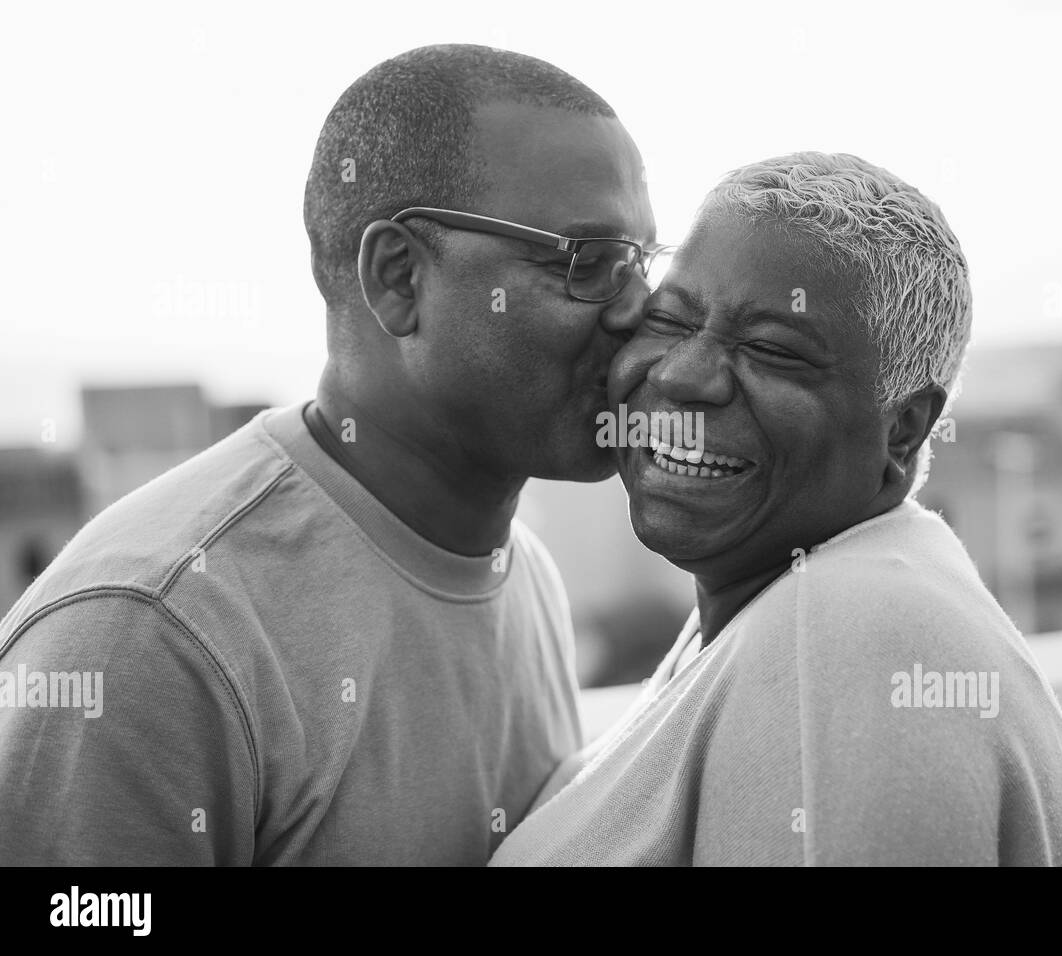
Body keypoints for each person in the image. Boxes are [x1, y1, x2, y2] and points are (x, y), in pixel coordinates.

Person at [0, 44, 660, 865]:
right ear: (398, 278)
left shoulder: (526, 574)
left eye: (641, 262)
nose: (641, 312)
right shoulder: (151, 635)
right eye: (586, 262)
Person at [490, 153, 1062, 866]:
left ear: (901, 429)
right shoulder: (786, 601)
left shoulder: (868, 631)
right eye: (669, 319)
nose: (684, 375)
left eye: (773, 351)